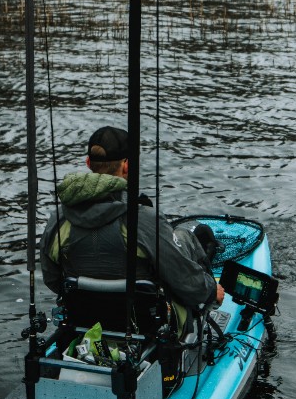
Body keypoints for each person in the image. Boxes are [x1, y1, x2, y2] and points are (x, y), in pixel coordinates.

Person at [39, 125, 224, 335]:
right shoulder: (144, 219)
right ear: (127, 166)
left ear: (88, 163)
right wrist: (210, 292)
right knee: (184, 237)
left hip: (83, 323)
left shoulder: (57, 219)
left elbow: (53, 280)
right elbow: (182, 278)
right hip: (147, 328)